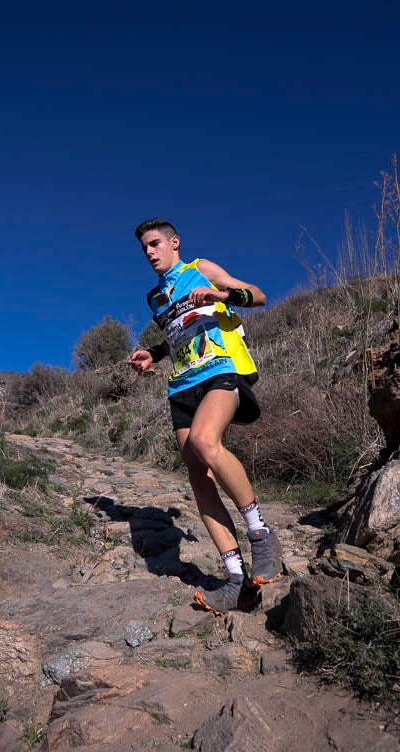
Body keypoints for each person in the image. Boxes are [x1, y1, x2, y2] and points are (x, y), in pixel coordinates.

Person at [126, 217, 283, 614]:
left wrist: (220, 296)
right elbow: (176, 332)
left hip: (219, 371)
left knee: (204, 442)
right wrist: (154, 354)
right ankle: (236, 581)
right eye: (144, 248)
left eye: (155, 243)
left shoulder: (201, 269)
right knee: (199, 476)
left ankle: (262, 535)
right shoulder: (155, 298)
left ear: (174, 242)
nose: (149, 252)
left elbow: (259, 295)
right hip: (181, 387)